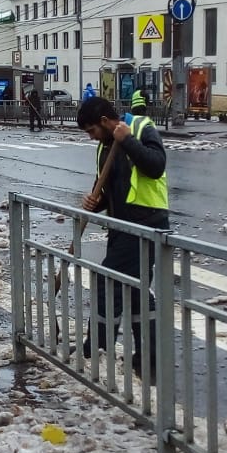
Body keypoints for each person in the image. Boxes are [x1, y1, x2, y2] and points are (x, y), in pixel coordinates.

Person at [77, 90, 169, 372]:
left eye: (92, 130)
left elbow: (155, 166)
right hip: (121, 226)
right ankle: (149, 359)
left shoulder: (140, 128)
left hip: (145, 223)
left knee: (108, 283)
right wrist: (97, 201)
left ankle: (96, 350)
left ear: (105, 121)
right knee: (136, 293)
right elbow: (111, 189)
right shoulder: (103, 146)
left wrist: (127, 140)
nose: (91, 136)